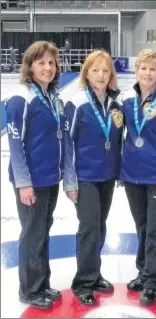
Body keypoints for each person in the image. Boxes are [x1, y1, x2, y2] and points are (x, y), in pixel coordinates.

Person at [5, 41, 65, 309]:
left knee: (43, 232)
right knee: (32, 234)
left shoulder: (52, 96)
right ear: (29, 66)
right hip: (31, 181)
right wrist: (23, 183)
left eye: (51, 63)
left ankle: (41, 283)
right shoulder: (22, 97)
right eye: (41, 63)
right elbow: (15, 144)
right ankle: (29, 290)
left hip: (50, 178)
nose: (48, 68)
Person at [63, 50, 123, 305]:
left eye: (105, 70)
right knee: (89, 227)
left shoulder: (116, 105)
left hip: (107, 176)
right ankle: (83, 282)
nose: (100, 75)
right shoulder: (76, 103)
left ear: (111, 75)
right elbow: (67, 143)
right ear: (86, 73)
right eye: (95, 70)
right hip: (84, 176)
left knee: (100, 226)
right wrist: (70, 180)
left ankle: (94, 273)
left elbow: (119, 139)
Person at [120, 49, 156, 305]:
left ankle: (153, 281)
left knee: (155, 229)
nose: (147, 73)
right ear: (136, 70)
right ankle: (143, 271)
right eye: (143, 68)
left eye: (153, 69)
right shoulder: (125, 100)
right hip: (132, 175)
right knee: (142, 227)